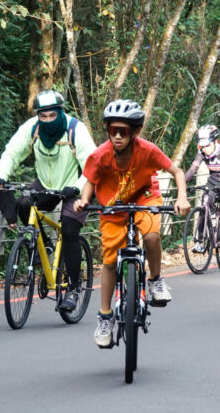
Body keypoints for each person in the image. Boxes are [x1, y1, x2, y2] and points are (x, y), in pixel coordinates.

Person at [73, 100, 191, 348]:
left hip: (144, 196)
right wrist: (84, 200)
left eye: (123, 131)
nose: (116, 136)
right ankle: (105, 318)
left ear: (135, 132)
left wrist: (182, 197)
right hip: (112, 207)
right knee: (108, 263)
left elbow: (177, 172)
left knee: (150, 236)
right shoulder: (100, 155)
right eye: (112, 130)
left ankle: (156, 279)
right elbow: (89, 182)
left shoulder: (147, 150)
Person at [0, 89, 97, 311]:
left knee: (69, 230)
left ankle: (73, 288)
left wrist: (77, 187)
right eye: (43, 116)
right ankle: (45, 248)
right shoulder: (32, 128)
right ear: (38, 116)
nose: (48, 120)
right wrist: (1, 176)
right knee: (23, 204)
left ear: (60, 112)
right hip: (46, 183)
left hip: (76, 184)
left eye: (52, 115)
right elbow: (12, 152)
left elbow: (92, 163)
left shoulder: (74, 129)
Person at [184, 125, 220, 251]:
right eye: (202, 146)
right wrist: (182, 183)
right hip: (213, 183)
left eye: (208, 145)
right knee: (204, 206)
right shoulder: (201, 153)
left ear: (215, 141)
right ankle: (200, 241)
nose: (205, 149)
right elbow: (192, 170)